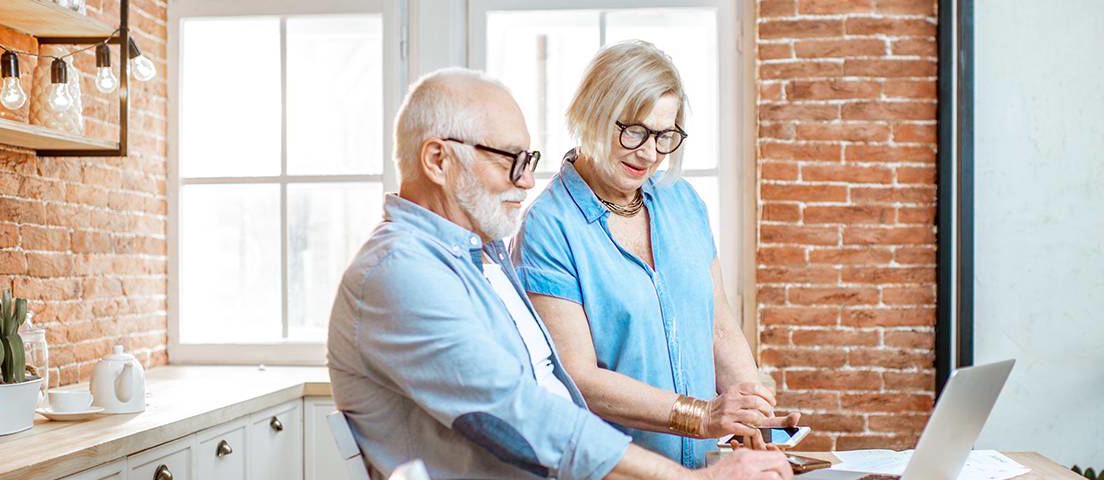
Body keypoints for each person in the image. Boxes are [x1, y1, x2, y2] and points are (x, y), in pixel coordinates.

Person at [326, 67, 792, 480]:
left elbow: (550, 395)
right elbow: (522, 414)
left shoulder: (480, 257)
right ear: (437, 160)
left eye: (528, 161)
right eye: (510, 159)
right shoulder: (402, 272)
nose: (528, 182)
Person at [512, 40, 798, 469]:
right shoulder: (549, 226)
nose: (650, 153)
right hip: (614, 472)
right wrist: (700, 415)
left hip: (704, 469)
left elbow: (718, 328)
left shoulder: (682, 201)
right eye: (634, 131)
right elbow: (578, 378)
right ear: (593, 113)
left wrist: (754, 415)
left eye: (665, 136)